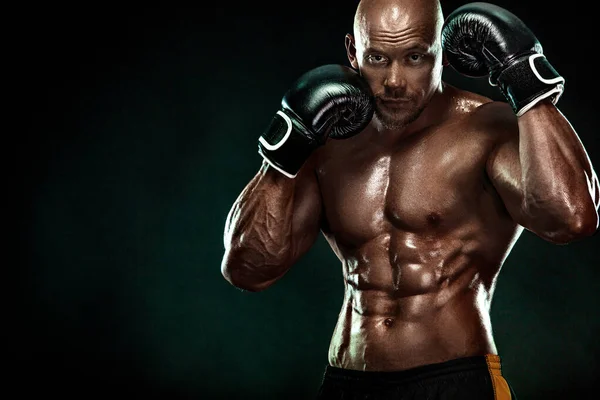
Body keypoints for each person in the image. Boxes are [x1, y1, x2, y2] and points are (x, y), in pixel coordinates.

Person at [220, 0, 599, 398]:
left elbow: (572, 218)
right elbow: (248, 269)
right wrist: (285, 152)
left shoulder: (487, 128)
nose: (395, 80)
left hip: (454, 381)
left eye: (415, 57)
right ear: (352, 52)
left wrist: (524, 79)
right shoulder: (328, 141)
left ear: (443, 52)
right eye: (378, 58)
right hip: (348, 381)